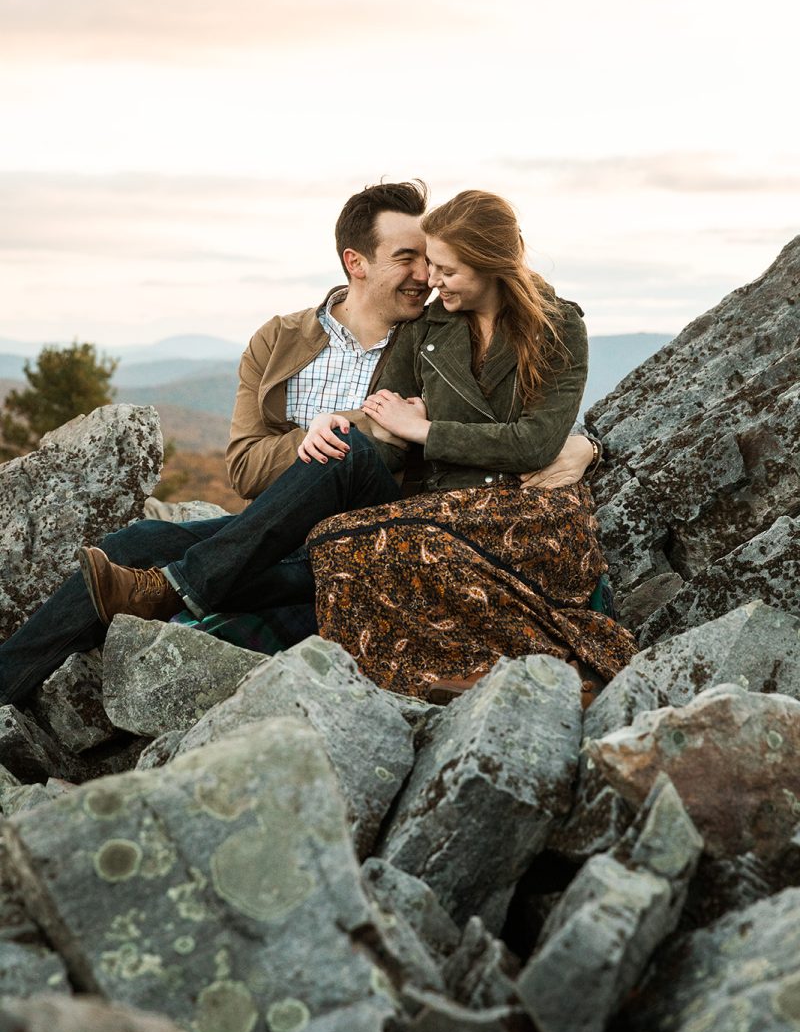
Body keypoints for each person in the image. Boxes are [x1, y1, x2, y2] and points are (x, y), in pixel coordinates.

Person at [0, 181, 595, 705]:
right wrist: (334, 430)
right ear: (356, 262)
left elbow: (528, 421)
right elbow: (246, 468)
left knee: (335, 469)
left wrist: (584, 443)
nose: (425, 277)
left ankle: (177, 589)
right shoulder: (283, 340)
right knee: (133, 542)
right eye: (408, 258)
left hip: (392, 515)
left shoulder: (431, 325)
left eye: (434, 263)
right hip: (284, 517)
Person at [307, 190, 638, 702]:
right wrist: (346, 430)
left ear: (492, 267)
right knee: (329, 540)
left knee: (350, 546)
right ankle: (445, 676)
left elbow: (535, 444)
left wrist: (424, 431)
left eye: (447, 270)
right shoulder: (427, 327)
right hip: (449, 503)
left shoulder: (557, 325)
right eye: (430, 265)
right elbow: (387, 428)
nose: (431, 280)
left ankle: (558, 668)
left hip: (532, 508)